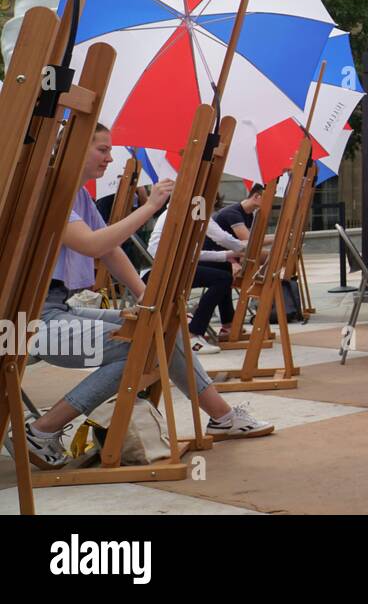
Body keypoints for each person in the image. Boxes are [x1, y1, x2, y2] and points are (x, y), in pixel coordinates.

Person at [15, 125, 273, 470]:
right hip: (28, 325)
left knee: (160, 325)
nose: (110, 158)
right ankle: (43, 430)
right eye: (103, 150)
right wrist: (150, 206)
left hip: (57, 309)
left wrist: (145, 296)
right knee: (140, 343)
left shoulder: (76, 194)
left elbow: (111, 252)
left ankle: (222, 416)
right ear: (77, 149)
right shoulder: (50, 191)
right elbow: (94, 245)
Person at [148, 202, 246, 352]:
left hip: (173, 264)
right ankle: (194, 334)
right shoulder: (194, 205)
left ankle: (228, 325)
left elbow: (193, 253)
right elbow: (220, 238)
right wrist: (246, 248)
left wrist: (229, 255)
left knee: (225, 269)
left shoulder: (186, 207)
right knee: (223, 279)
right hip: (165, 270)